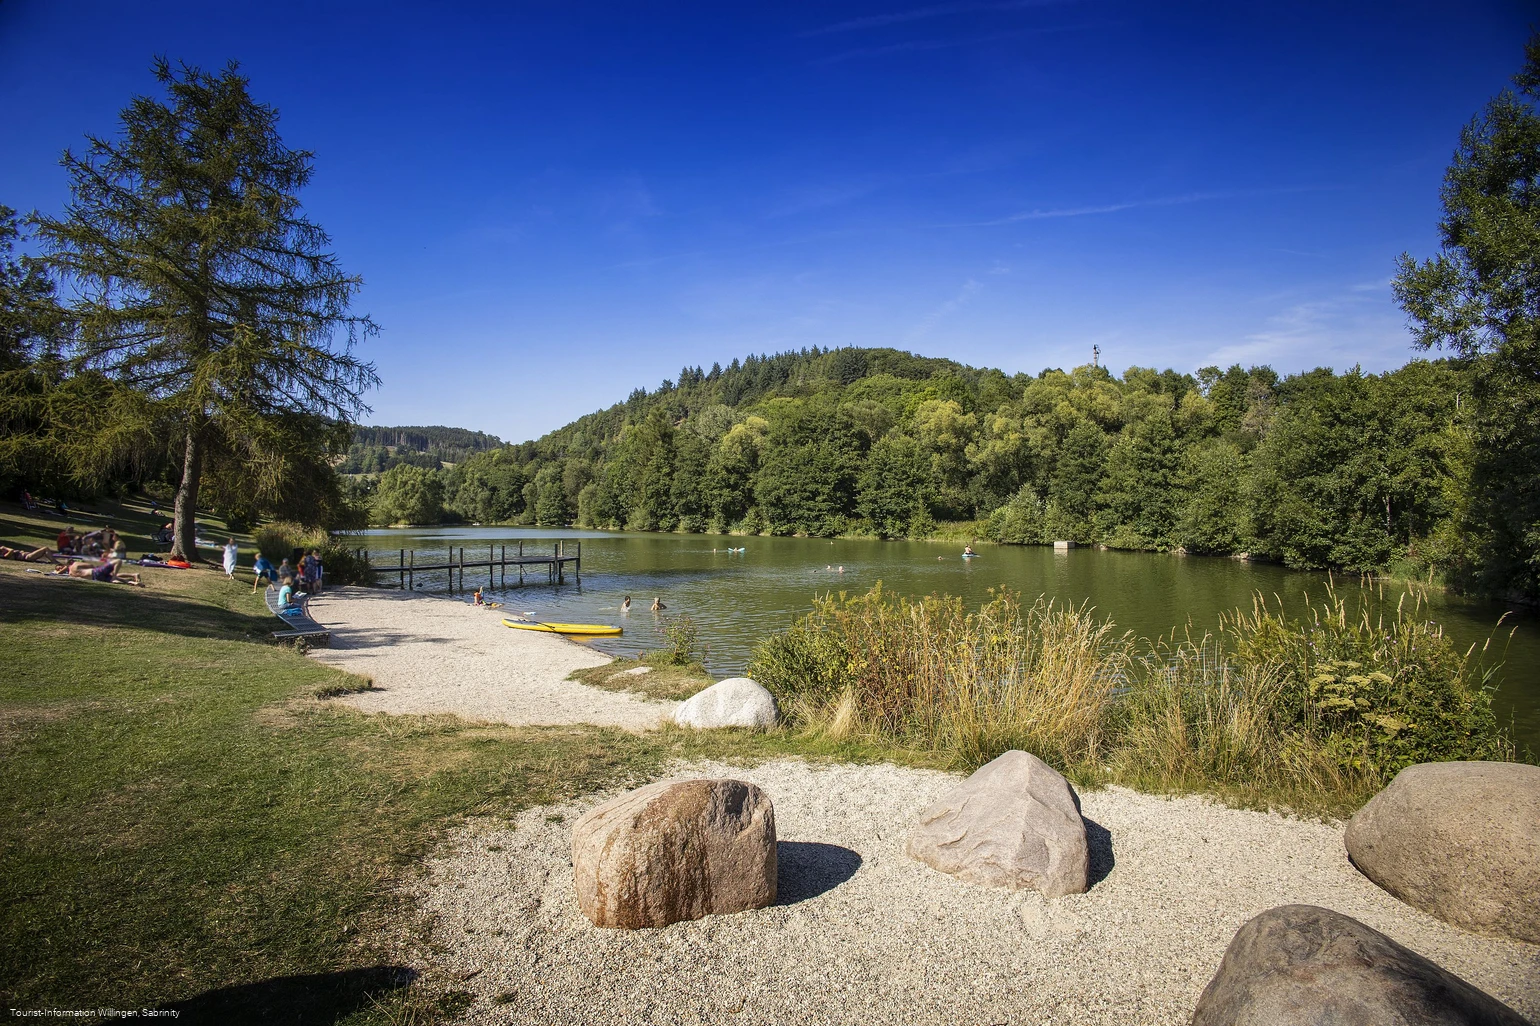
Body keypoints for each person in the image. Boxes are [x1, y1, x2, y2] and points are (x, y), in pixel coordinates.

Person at [68, 558, 142, 587]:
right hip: (95, 572)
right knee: (118, 561)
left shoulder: (70, 574)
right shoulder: (75, 564)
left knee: (115, 580)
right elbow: (90, 565)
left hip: (95, 578)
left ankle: (132, 583)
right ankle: (115, 576)